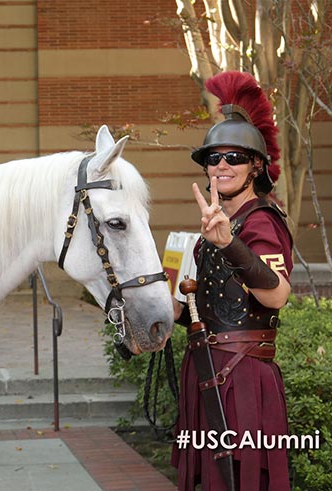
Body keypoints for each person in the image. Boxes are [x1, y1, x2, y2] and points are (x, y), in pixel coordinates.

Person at [171, 72, 293, 491]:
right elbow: (214, 307)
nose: (221, 165)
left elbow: (276, 295)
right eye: (214, 157)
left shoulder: (261, 220)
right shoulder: (218, 224)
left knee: (242, 481)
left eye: (234, 157)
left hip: (243, 378)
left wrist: (229, 245)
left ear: (255, 165)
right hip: (206, 368)